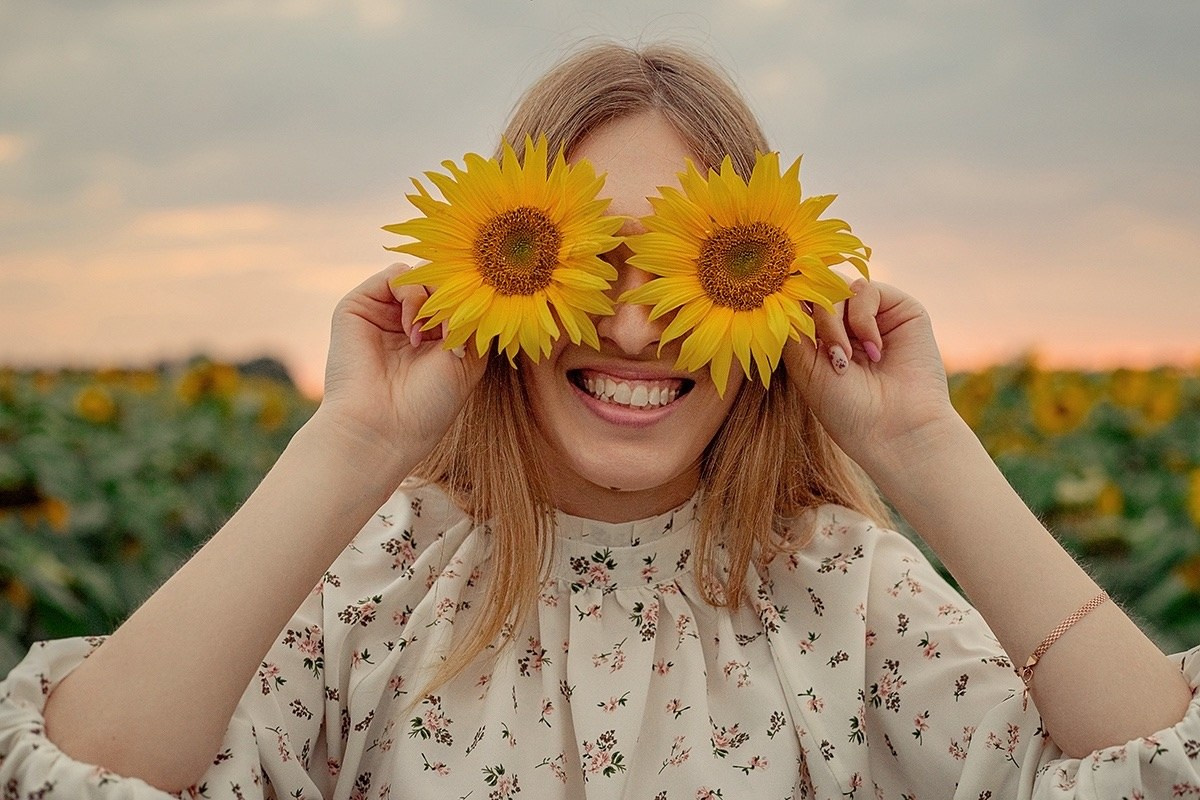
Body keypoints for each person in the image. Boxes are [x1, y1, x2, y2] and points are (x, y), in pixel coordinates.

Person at [2, 41, 1198, 800]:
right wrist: (353, 442)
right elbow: (80, 776)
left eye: (691, 269)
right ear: (494, 277)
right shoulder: (378, 585)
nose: (631, 325)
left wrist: (923, 447)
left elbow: (1153, 771)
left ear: (779, 296)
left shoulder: (846, 595)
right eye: (590, 263)